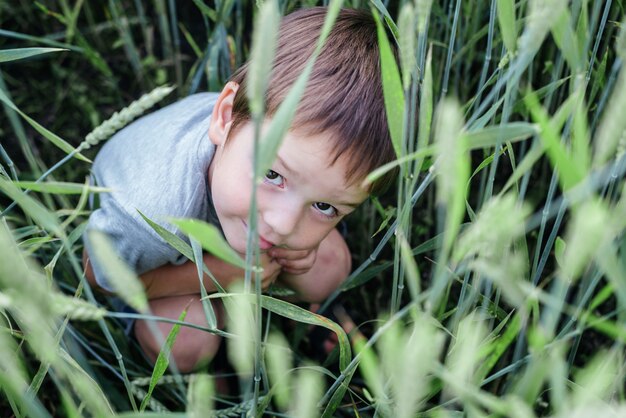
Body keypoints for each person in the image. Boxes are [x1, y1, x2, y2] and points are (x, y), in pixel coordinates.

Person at [83, 7, 397, 373]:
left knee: (329, 266)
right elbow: (100, 278)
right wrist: (224, 273)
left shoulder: (270, 171)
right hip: (160, 267)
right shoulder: (150, 211)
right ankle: (205, 371)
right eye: (272, 174)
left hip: (235, 236)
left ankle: (278, 310)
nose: (282, 224)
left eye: (325, 206)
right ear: (224, 117)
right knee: (184, 342)